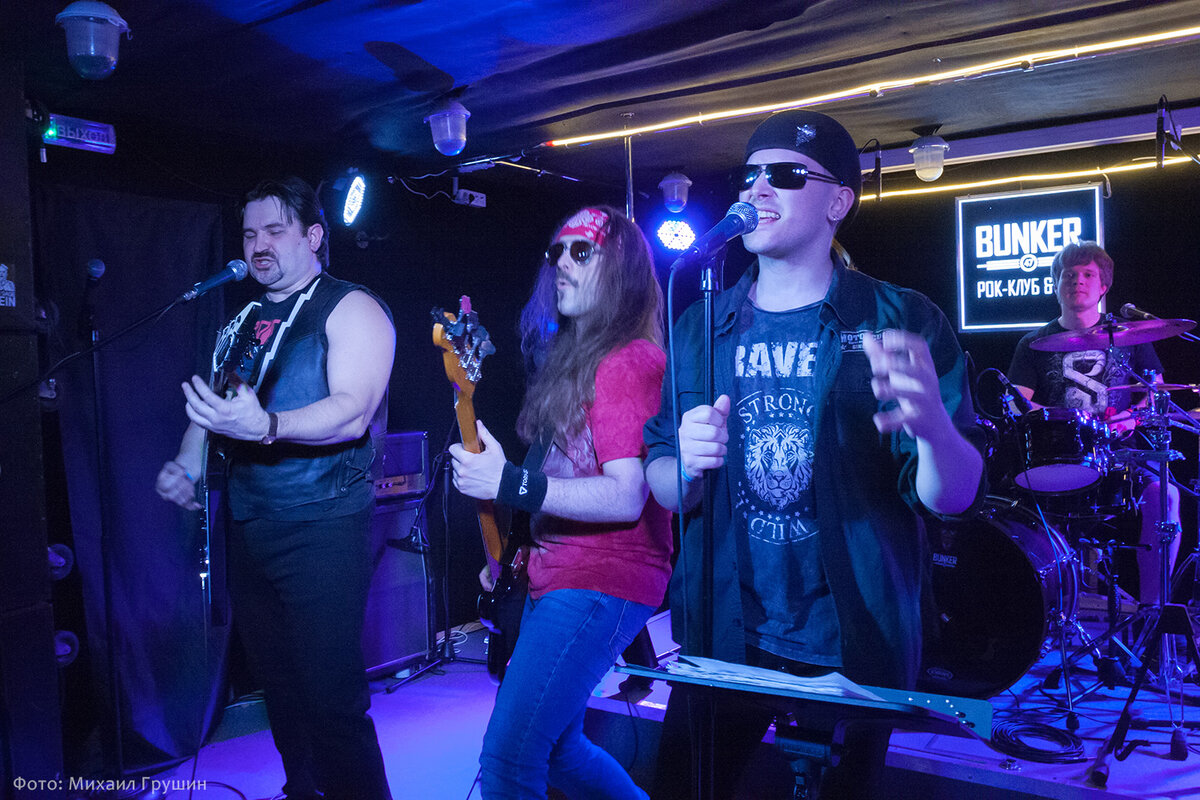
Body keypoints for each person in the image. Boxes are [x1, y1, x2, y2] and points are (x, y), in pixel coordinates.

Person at [642, 110, 986, 798]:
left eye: (786, 175)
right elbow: (666, 484)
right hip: (725, 631)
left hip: (853, 637)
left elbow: (955, 496)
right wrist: (684, 466)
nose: (759, 188)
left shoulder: (899, 318)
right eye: (750, 175)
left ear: (838, 202)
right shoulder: (701, 321)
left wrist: (934, 432)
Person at [154, 177, 395, 800]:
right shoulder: (244, 320)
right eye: (248, 234)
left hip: (322, 524)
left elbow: (352, 410)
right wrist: (184, 464)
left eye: (274, 230)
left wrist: (268, 426)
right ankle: (303, 791)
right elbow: (214, 412)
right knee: (282, 692)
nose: (258, 245)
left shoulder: (351, 307)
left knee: (331, 699)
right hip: (250, 525)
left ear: (312, 236)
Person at [449, 206, 672, 800]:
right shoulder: (579, 359)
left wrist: (508, 484)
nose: (562, 265)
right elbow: (560, 474)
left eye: (582, 251)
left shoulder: (628, 361)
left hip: (602, 578)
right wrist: (512, 549)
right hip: (560, 571)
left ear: (621, 269)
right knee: (562, 754)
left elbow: (627, 495)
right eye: (557, 252)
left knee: (508, 760)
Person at [1008, 240, 1180, 605]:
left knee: (1165, 496)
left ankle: (1153, 612)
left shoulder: (1132, 337)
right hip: (1059, 455)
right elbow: (1016, 399)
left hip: (1122, 454)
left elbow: (1155, 393)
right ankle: (1051, 613)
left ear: (1103, 286)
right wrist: (1060, 417)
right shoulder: (1033, 343)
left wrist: (1130, 419)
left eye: (1088, 274)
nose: (1077, 281)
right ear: (1056, 285)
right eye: (1069, 275)